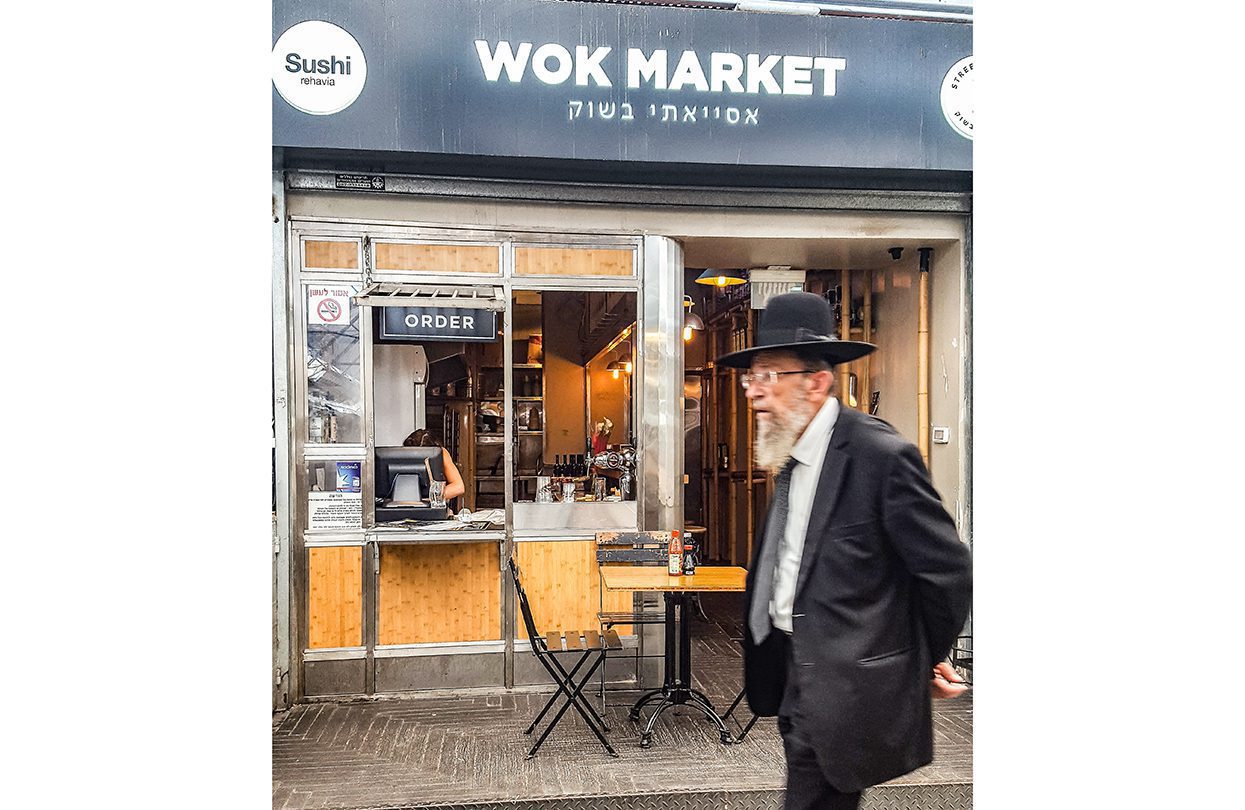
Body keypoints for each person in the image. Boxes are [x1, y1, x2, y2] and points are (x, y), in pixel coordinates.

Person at [717, 292, 973, 810]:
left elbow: (945, 569)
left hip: (847, 682)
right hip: (793, 670)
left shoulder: (880, 456)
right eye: (751, 378)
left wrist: (923, 657)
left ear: (816, 381)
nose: (753, 392)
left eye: (768, 376)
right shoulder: (791, 451)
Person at [402, 429, 465, 502]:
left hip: (435, 505)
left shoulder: (441, 453)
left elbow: (458, 487)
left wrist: (429, 498)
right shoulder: (402, 455)